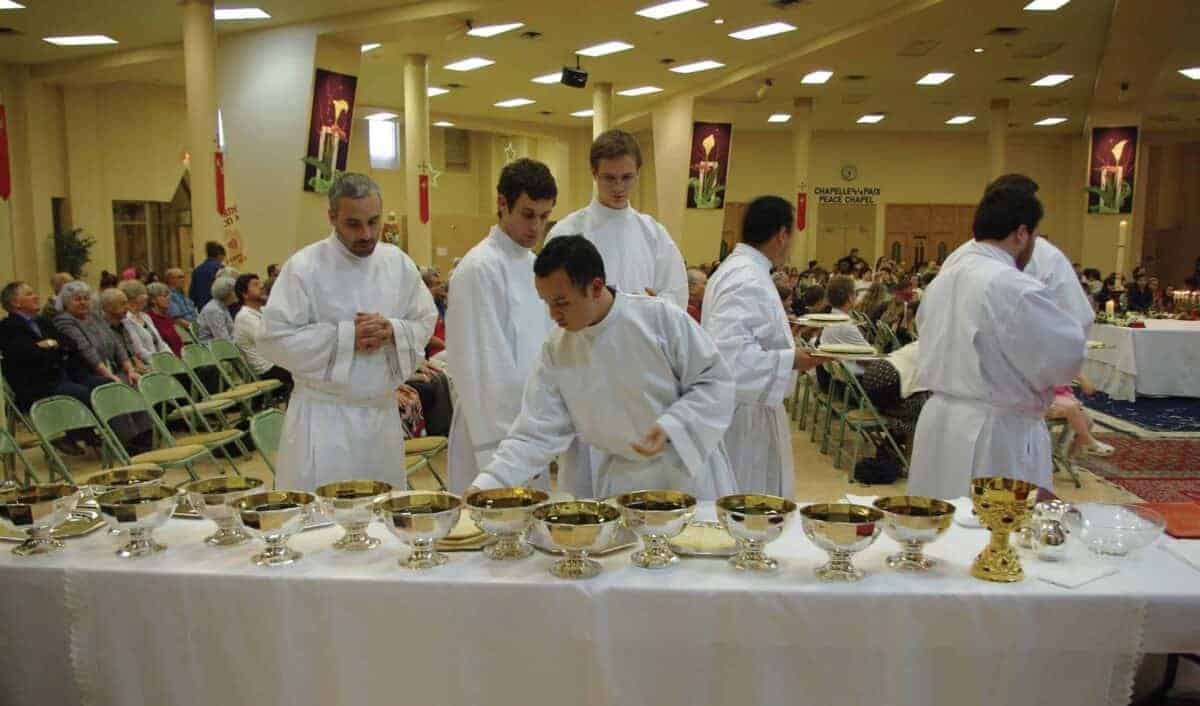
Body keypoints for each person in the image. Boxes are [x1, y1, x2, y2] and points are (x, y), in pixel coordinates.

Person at [465, 236, 737, 500]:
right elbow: (535, 431)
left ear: (596, 287)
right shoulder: (557, 349)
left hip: (685, 473)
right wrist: (488, 484)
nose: (553, 314)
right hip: (622, 482)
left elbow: (715, 382)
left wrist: (674, 425)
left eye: (561, 303)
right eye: (547, 303)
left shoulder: (659, 319)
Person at [260, 173, 437, 491]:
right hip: (325, 418)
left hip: (380, 416)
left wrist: (392, 330)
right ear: (332, 217)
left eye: (373, 221)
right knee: (324, 526)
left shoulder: (397, 264)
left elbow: (424, 319)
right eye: (353, 224)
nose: (366, 234)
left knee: (382, 521)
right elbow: (273, 338)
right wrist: (346, 338)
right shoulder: (305, 267)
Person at [909, 184, 1085, 499]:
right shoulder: (1013, 286)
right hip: (994, 430)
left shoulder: (943, 279)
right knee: (994, 532)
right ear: (1021, 233)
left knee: (938, 522)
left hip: (940, 418)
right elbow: (1063, 358)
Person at [545, 129, 689, 496]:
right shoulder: (569, 231)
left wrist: (653, 307)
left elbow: (675, 303)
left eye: (627, 178)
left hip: (641, 375)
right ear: (594, 174)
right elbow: (554, 301)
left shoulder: (653, 233)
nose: (619, 187)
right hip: (586, 367)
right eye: (609, 178)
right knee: (585, 486)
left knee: (640, 487)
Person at [445, 158, 558, 492]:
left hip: (529, 430)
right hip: (493, 433)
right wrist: (506, 459)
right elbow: (482, 369)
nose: (536, 228)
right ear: (502, 204)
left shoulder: (535, 265)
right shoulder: (478, 269)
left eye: (544, 216)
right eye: (527, 214)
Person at [701, 195, 826, 496]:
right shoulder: (745, 277)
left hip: (747, 411)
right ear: (782, 235)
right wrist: (793, 359)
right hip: (744, 417)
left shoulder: (744, 270)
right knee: (749, 508)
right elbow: (731, 357)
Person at [0, 282, 105, 455]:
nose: (36, 296)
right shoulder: (8, 327)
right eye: (29, 294)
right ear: (16, 303)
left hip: (62, 375)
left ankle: (122, 437)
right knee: (80, 393)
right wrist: (56, 349)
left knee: (104, 385)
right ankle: (78, 433)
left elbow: (71, 344)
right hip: (39, 385)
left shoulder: (42, 321)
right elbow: (29, 356)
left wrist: (50, 344)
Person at [232, 273, 293, 397]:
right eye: (255, 284)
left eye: (260, 283)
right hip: (266, 368)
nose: (261, 286)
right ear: (244, 294)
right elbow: (272, 340)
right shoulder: (244, 317)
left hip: (278, 360)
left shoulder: (262, 311)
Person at [117, 279, 170, 366]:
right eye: (143, 293)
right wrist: (160, 362)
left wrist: (170, 356)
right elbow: (139, 350)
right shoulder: (126, 320)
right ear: (134, 298)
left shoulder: (145, 316)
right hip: (149, 364)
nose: (147, 297)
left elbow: (160, 342)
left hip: (162, 361)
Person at [145, 282, 185, 356]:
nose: (168, 299)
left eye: (168, 296)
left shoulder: (167, 316)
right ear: (153, 300)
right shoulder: (149, 319)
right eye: (164, 296)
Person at [195, 277, 237, 342]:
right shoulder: (214, 310)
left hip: (223, 346)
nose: (238, 293)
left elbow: (232, 331)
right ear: (227, 293)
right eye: (235, 290)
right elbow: (223, 340)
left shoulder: (222, 306)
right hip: (212, 349)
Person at [189, 241, 226, 310]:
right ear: (220, 255)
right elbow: (225, 291)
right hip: (218, 308)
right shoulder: (220, 268)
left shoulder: (197, 270)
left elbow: (192, 294)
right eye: (223, 258)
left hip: (202, 309)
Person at [420, 267, 447, 359]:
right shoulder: (423, 305)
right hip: (433, 354)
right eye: (437, 284)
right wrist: (446, 346)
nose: (441, 286)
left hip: (444, 350)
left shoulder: (439, 303)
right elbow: (426, 337)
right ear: (427, 288)